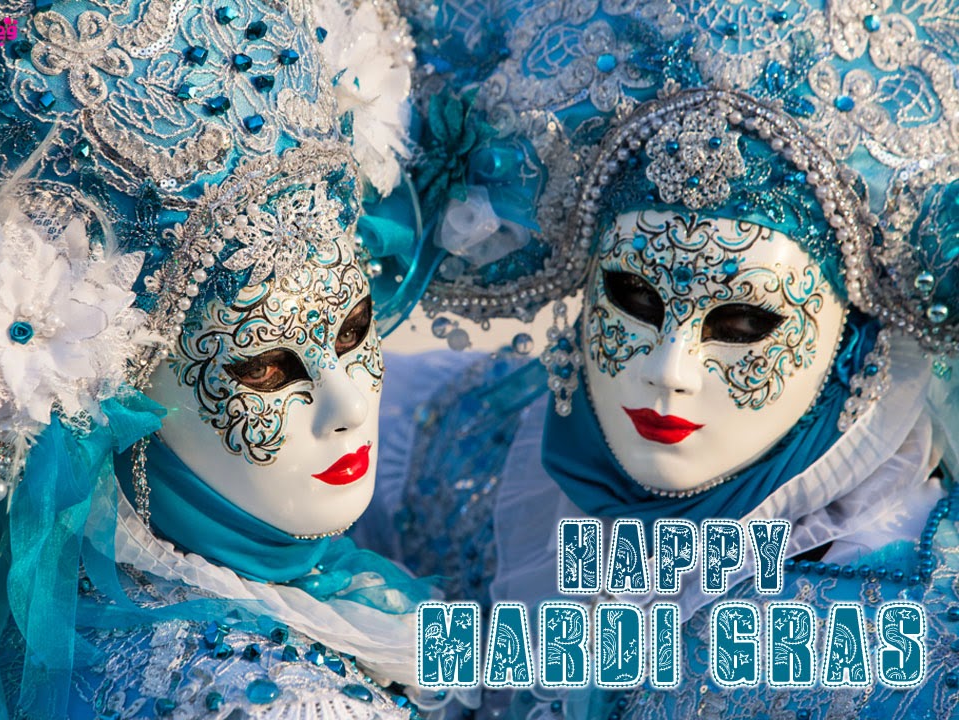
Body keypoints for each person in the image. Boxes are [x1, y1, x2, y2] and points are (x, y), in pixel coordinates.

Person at [354, 0, 959, 717]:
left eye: (743, 322)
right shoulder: (460, 448)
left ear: (856, 335)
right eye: (635, 298)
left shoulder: (918, 629)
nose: (669, 370)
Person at [0, 0, 429, 716]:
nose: (348, 407)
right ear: (127, 399)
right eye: (264, 369)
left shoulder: (75, 616)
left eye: (353, 331)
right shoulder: (279, 701)